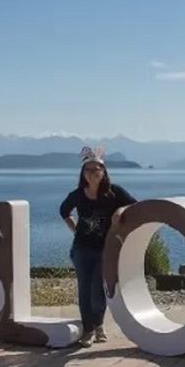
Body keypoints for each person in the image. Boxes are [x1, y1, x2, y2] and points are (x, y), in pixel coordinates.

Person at [59, 146, 136, 346]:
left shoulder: (114, 192)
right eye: (88, 170)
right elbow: (64, 211)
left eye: (97, 169)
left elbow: (135, 205)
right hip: (82, 249)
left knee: (98, 289)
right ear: (83, 173)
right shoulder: (77, 195)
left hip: (105, 249)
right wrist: (75, 229)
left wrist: (121, 209)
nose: (93, 173)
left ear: (104, 172)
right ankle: (88, 330)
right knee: (84, 289)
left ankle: (99, 325)